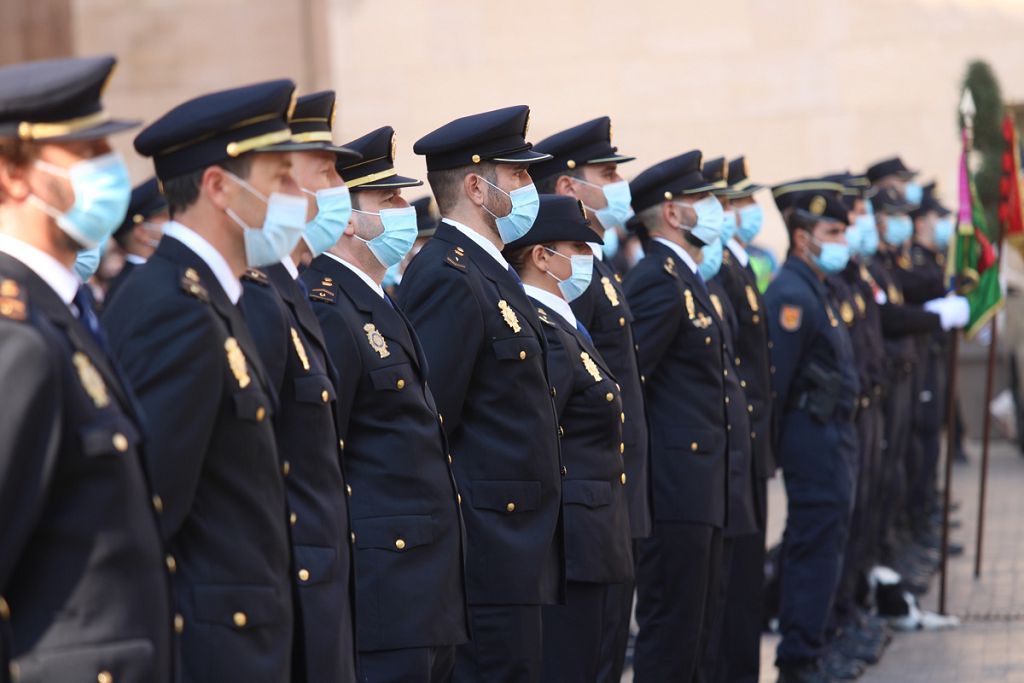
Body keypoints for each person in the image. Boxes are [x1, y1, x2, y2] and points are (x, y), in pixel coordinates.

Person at [103, 79, 307, 681]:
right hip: (213, 646)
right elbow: (151, 506)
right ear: (220, 187)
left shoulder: (219, 296)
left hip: (249, 634)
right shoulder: (173, 306)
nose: (298, 198)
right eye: (281, 179)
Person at [0, 54, 173, 683]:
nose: (110, 170)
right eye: (85, 150)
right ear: (13, 175)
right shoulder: (14, 335)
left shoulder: (60, 314)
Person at [396, 105, 563, 682]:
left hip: (517, 542)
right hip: (489, 546)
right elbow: (430, 422)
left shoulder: (488, 272)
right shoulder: (448, 273)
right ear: (476, 185)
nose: (529, 186)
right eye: (517, 175)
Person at [302, 123, 469, 681]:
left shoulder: (375, 300)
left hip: (423, 582)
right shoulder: (329, 305)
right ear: (349, 218)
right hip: (384, 581)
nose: (405, 208)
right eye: (388, 198)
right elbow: (328, 449)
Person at [238, 90, 360, 682]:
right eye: (324, 171)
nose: (339, 185)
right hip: (295, 575)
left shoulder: (294, 290)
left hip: (324, 567)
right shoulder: (262, 298)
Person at [530, 116, 650, 682]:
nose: (618, 184)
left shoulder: (595, 274)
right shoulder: (554, 302)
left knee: (603, 653)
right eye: (606, 173)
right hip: (584, 511)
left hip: (612, 496)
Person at [504, 194, 634, 682]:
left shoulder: (565, 325)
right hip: (572, 544)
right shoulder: (543, 330)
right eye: (578, 248)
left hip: (596, 535)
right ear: (541, 256)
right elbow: (541, 440)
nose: (588, 260)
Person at [623, 150, 731, 682]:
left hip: (699, 482)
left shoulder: (686, 278)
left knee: (699, 627)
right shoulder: (657, 279)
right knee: (673, 630)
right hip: (674, 487)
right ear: (672, 213)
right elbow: (628, 379)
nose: (714, 209)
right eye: (703, 200)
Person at [765, 190, 860, 683]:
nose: (843, 241)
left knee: (828, 545)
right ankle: (799, 659)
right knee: (812, 547)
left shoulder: (818, 287)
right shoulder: (790, 294)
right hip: (812, 440)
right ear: (802, 238)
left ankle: (815, 644)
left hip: (833, 439)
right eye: (833, 233)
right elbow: (775, 383)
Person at [712, 155, 775, 683]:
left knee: (742, 586)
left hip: (743, 442)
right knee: (722, 597)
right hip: (714, 455)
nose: (748, 211)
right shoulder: (710, 271)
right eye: (740, 202)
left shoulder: (731, 263)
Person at [106, 177, 168, 303]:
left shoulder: (153, 275)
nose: (174, 223)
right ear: (142, 233)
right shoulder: (133, 286)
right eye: (166, 217)